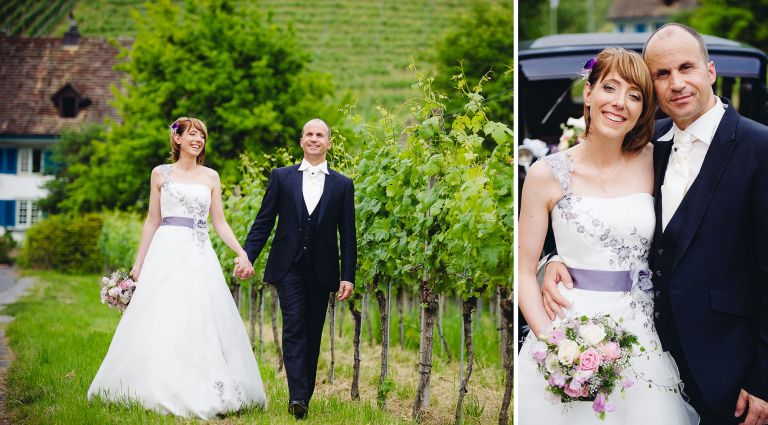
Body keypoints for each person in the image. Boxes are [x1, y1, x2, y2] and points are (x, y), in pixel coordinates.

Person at [541, 24, 768, 425]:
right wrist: (556, 260)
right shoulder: (645, 144)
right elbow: (606, 214)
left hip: (731, 374)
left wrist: (763, 379)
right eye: (662, 74)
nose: (676, 83)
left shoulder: (759, 147)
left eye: (686, 68)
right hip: (648, 362)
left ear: (710, 71)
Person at [518, 47, 699, 424]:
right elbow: (521, 271)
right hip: (568, 328)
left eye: (634, 95)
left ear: (644, 109)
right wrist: (556, 346)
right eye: (610, 88)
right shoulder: (545, 174)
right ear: (588, 93)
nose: (620, 103)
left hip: (641, 336)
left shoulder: (658, 161)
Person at [87, 117, 267, 419]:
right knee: (161, 313)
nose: (198, 140)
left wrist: (242, 253)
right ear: (178, 139)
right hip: (166, 249)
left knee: (199, 314)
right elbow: (152, 220)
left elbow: (219, 222)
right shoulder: (160, 174)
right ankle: (154, 382)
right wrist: (138, 264)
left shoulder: (211, 177)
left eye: (202, 136)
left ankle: (203, 384)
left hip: (198, 252)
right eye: (192, 134)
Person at [235, 118, 356, 419]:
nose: (314, 138)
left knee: (313, 332)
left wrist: (348, 276)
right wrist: (247, 255)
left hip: (322, 269)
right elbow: (264, 222)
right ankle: (297, 397)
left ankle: (304, 394)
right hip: (288, 266)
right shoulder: (282, 177)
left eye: (320, 135)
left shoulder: (343, 185)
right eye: (309, 134)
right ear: (301, 141)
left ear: (328, 143)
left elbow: (348, 234)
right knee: (293, 327)